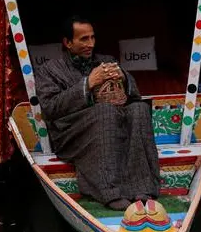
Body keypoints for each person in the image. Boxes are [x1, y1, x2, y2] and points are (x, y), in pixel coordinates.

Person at [35, 16, 160, 211]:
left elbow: (134, 95)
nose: (90, 44)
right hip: (69, 132)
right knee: (105, 111)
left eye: (92, 38)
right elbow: (51, 108)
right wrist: (88, 83)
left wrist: (124, 78)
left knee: (139, 109)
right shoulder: (49, 70)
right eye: (83, 39)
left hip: (112, 118)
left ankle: (142, 187)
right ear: (68, 42)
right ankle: (109, 191)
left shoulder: (106, 61)